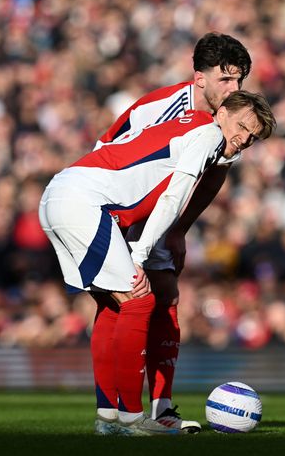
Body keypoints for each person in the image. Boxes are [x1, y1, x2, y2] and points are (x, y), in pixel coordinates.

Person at [39, 91, 275, 436]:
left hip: (65, 193)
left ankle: (109, 419)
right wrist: (139, 254)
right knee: (140, 301)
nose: (243, 140)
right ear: (221, 112)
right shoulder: (208, 133)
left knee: (113, 306)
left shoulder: (185, 124)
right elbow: (172, 197)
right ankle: (134, 419)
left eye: (252, 138)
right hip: (85, 203)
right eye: (242, 128)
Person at [94, 32, 251, 433]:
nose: (234, 90)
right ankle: (109, 415)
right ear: (198, 76)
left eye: (239, 81)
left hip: (160, 214)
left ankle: (161, 408)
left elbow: (215, 176)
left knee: (166, 298)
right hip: (117, 206)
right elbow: (106, 148)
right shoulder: (159, 108)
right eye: (225, 80)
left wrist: (180, 228)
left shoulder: (233, 118)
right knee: (118, 303)